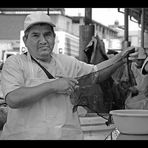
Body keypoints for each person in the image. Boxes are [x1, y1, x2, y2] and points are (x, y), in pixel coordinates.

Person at [0, 12, 138, 140]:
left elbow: (95, 73)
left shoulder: (66, 62)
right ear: (25, 40)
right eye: (35, 35)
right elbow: (13, 99)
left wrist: (120, 59)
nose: (43, 40)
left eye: (47, 35)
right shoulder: (15, 63)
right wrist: (53, 85)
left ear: (54, 37)